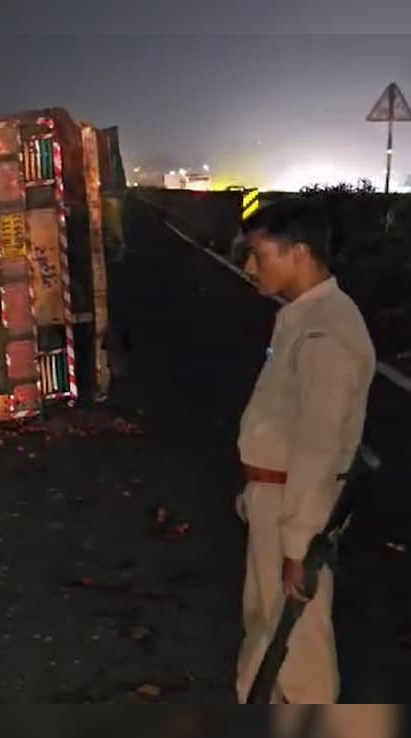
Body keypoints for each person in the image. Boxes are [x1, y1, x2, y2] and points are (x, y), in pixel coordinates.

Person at [234, 198, 376, 708]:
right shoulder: (304, 318)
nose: (250, 267)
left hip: (295, 511)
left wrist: (298, 544)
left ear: (298, 252)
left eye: (259, 254)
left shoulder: (324, 332)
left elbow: (318, 447)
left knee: (297, 648)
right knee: (270, 630)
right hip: (276, 499)